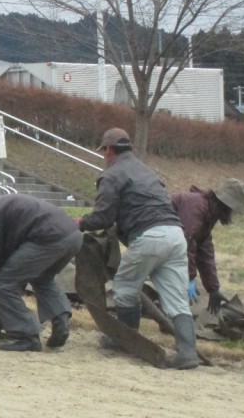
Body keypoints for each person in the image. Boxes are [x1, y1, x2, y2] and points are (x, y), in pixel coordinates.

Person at [76, 128, 199, 369]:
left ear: (108, 150)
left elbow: (102, 217)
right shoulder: (148, 172)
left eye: (104, 151)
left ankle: (126, 339)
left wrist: (80, 223)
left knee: (124, 288)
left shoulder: (111, 175)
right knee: (177, 301)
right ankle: (188, 353)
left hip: (149, 236)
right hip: (175, 235)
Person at [0, 192, 82, 352]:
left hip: (48, 237)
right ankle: (60, 320)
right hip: (72, 235)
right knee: (42, 278)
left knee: (2, 284)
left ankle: (28, 336)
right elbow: (5, 260)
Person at [172, 179, 244, 314]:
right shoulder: (196, 206)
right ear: (225, 206)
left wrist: (213, 289)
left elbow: (204, 251)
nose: (232, 215)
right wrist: (189, 277)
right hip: (151, 236)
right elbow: (186, 242)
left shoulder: (208, 213)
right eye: (232, 210)